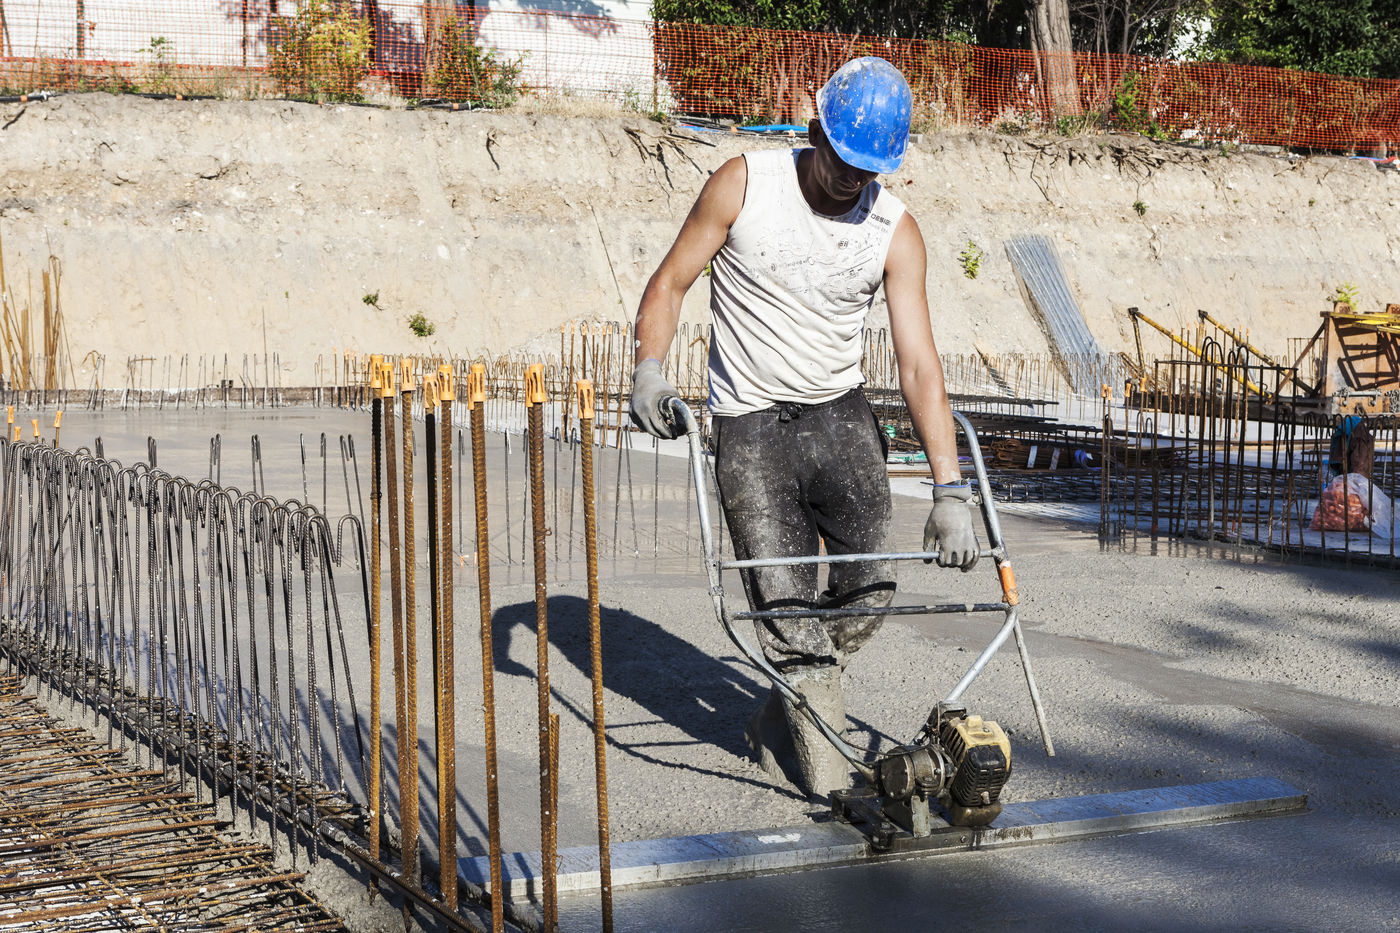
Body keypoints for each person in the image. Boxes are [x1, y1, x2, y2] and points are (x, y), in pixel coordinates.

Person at [628, 57, 979, 799]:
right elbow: (670, 282)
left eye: (869, 169)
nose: (853, 180)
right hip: (751, 425)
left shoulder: (894, 230)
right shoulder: (744, 185)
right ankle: (832, 772)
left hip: (839, 415)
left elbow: (919, 363)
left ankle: (782, 710)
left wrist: (951, 490)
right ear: (815, 129)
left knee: (872, 584)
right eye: (843, 160)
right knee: (785, 606)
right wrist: (650, 367)